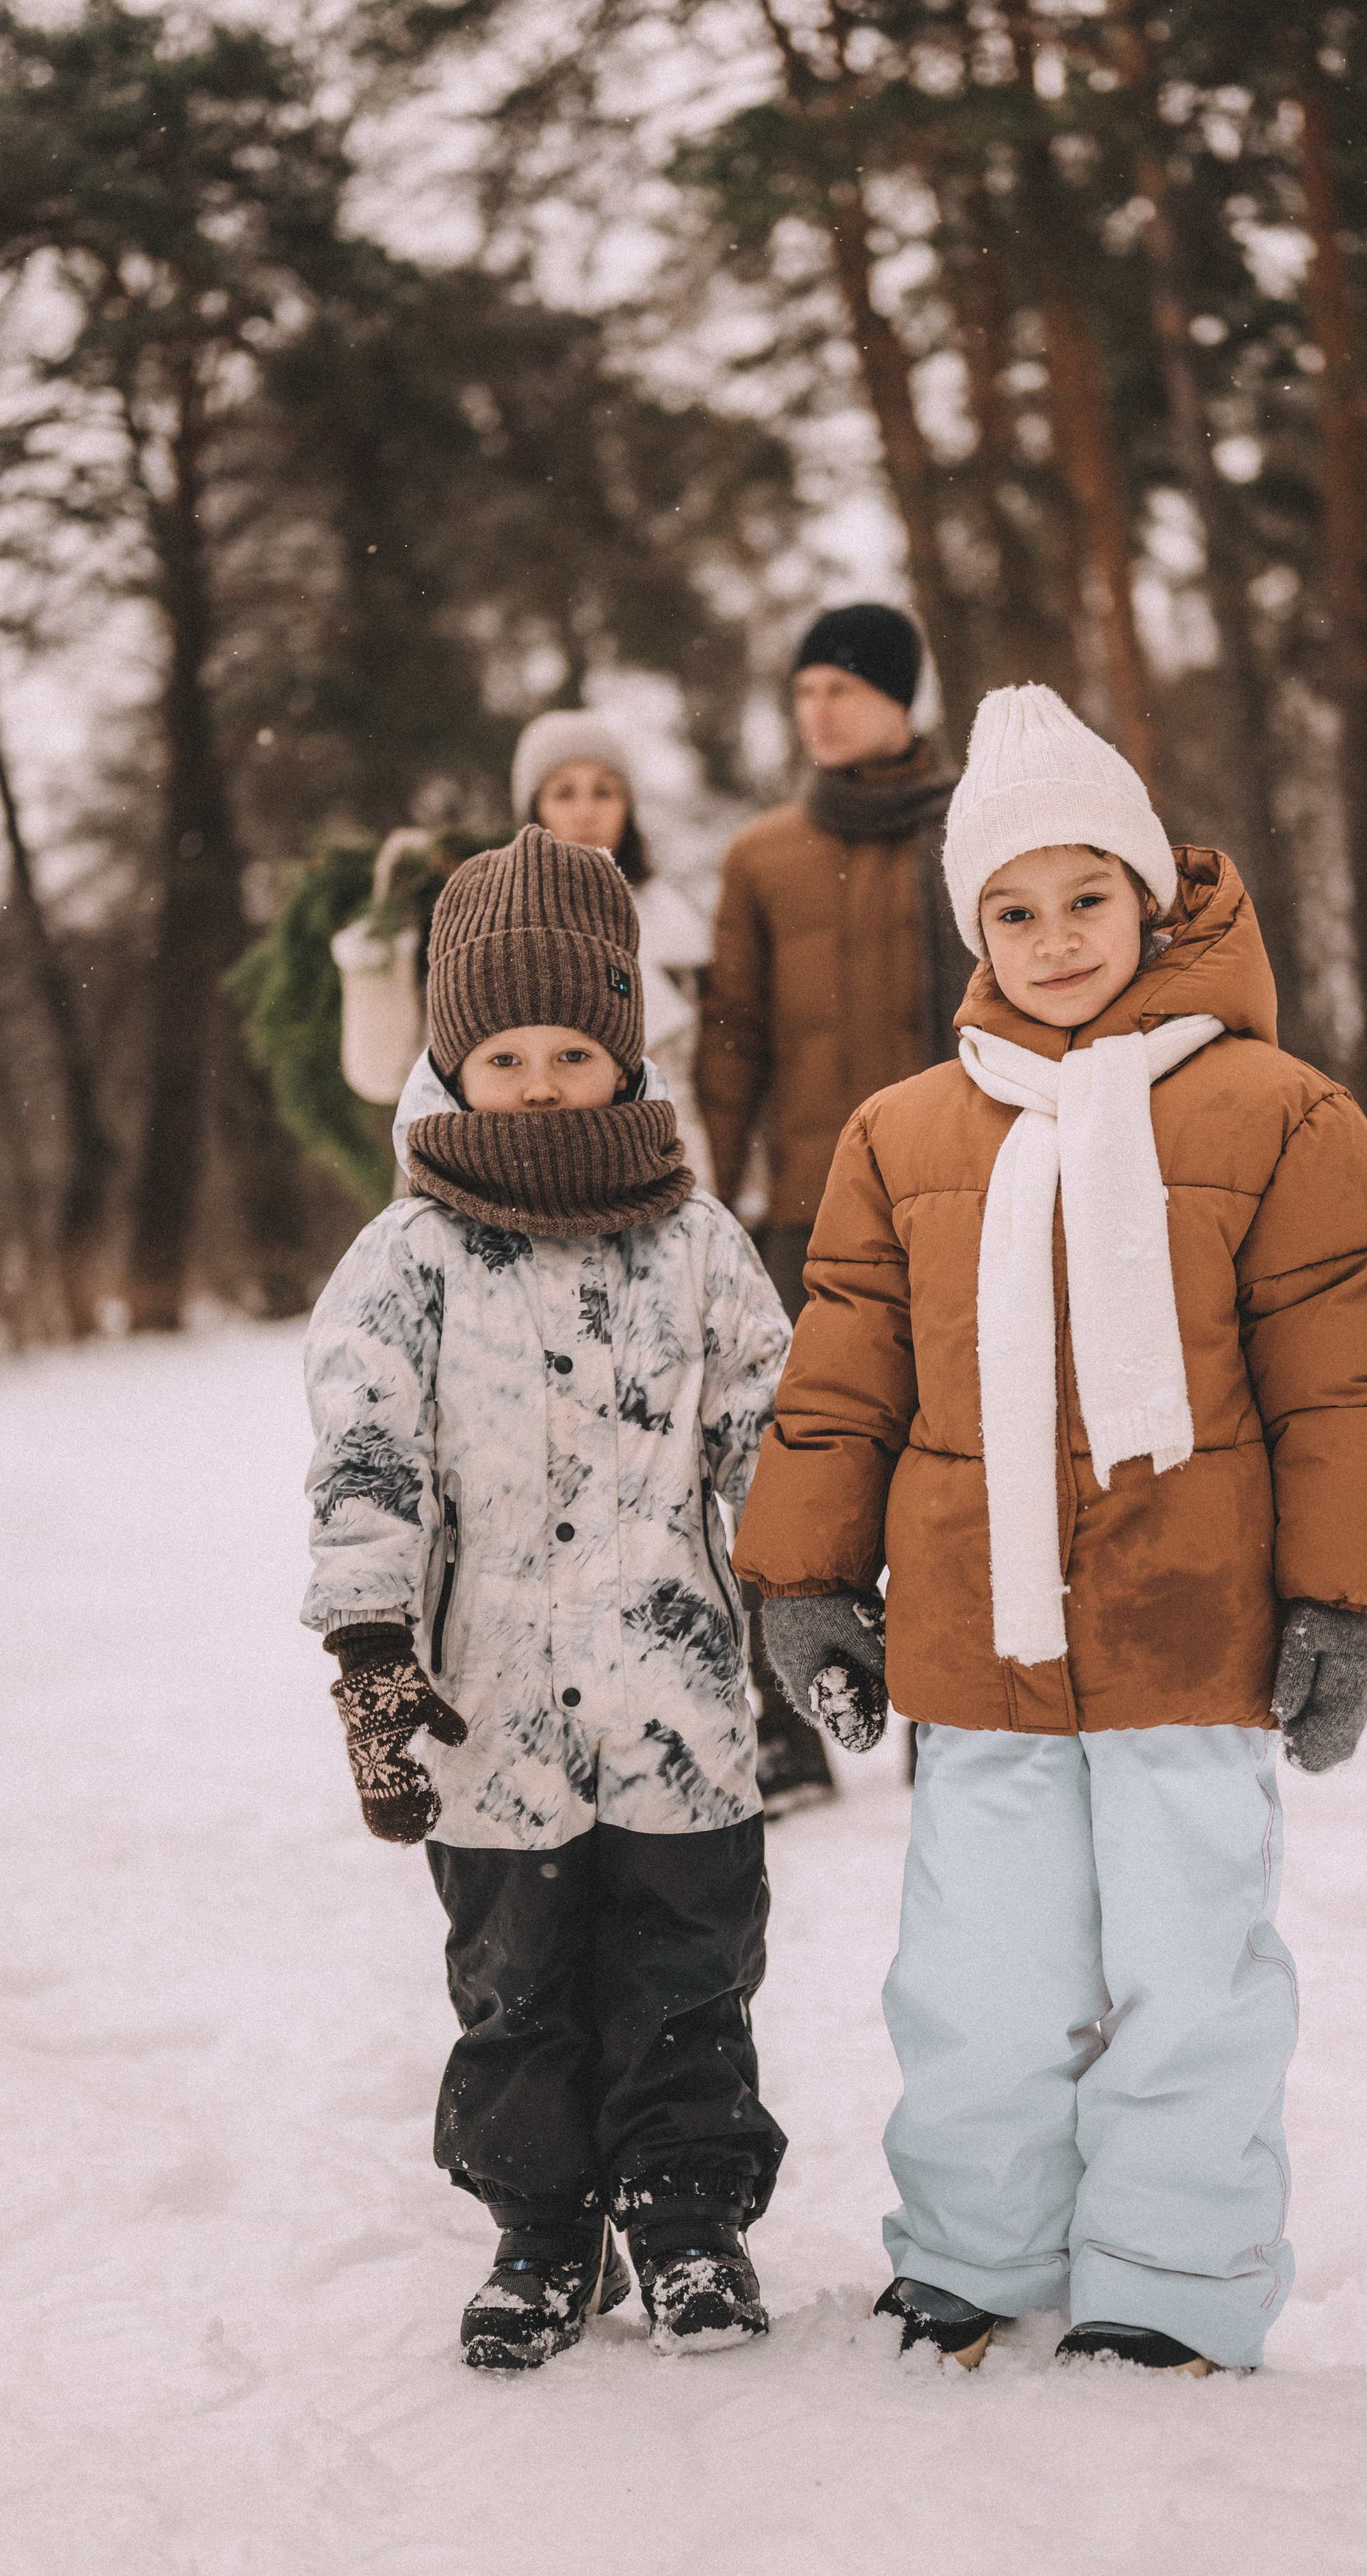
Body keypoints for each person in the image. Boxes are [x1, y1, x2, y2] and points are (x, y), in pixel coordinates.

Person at [734, 683, 1367, 2378]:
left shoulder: (1275, 1112)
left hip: (1189, 1639)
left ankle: (1172, 2277)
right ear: (971, 925)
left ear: (1152, 896)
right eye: (1012, 909)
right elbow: (839, 1376)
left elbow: (1352, 1373)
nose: (1053, 939)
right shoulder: (902, 1132)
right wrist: (810, 1572)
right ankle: (972, 2250)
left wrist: (1342, 1598)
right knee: (975, 1971)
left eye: (1085, 898)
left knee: (1192, 1970)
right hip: (977, 1638)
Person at [301, 827, 792, 2372]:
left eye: (569, 1046)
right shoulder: (405, 1259)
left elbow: (768, 1437)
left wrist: (815, 1583)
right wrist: (372, 1647)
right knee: (514, 1981)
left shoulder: (697, 1240)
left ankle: (685, 2212)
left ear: (621, 1051)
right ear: (453, 1058)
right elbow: (365, 1457)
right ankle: (542, 2226)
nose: (532, 1077)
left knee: (684, 1967)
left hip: (679, 1697)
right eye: (499, 1049)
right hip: (487, 1700)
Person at [697, 603, 971, 1811]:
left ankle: (954, 1713)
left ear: (903, 699)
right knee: (799, 1464)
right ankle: (795, 1721)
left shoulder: (975, 830)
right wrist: (717, 1182)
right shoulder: (761, 856)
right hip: (808, 1208)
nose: (820, 709)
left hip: (959, 1196)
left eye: (844, 688)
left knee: (953, 1458)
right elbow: (732, 1040)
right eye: (804, 690)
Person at [332, 713, 713, 1189]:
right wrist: (383, 947)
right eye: (564, 792)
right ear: (533, 806)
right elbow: (389, 1073)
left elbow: (705, 1088)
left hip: (653, 1190)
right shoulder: (482, 926)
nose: (585, 811)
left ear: (628, 805)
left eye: (604, 791)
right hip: (483, 1196)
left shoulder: (677, 931)